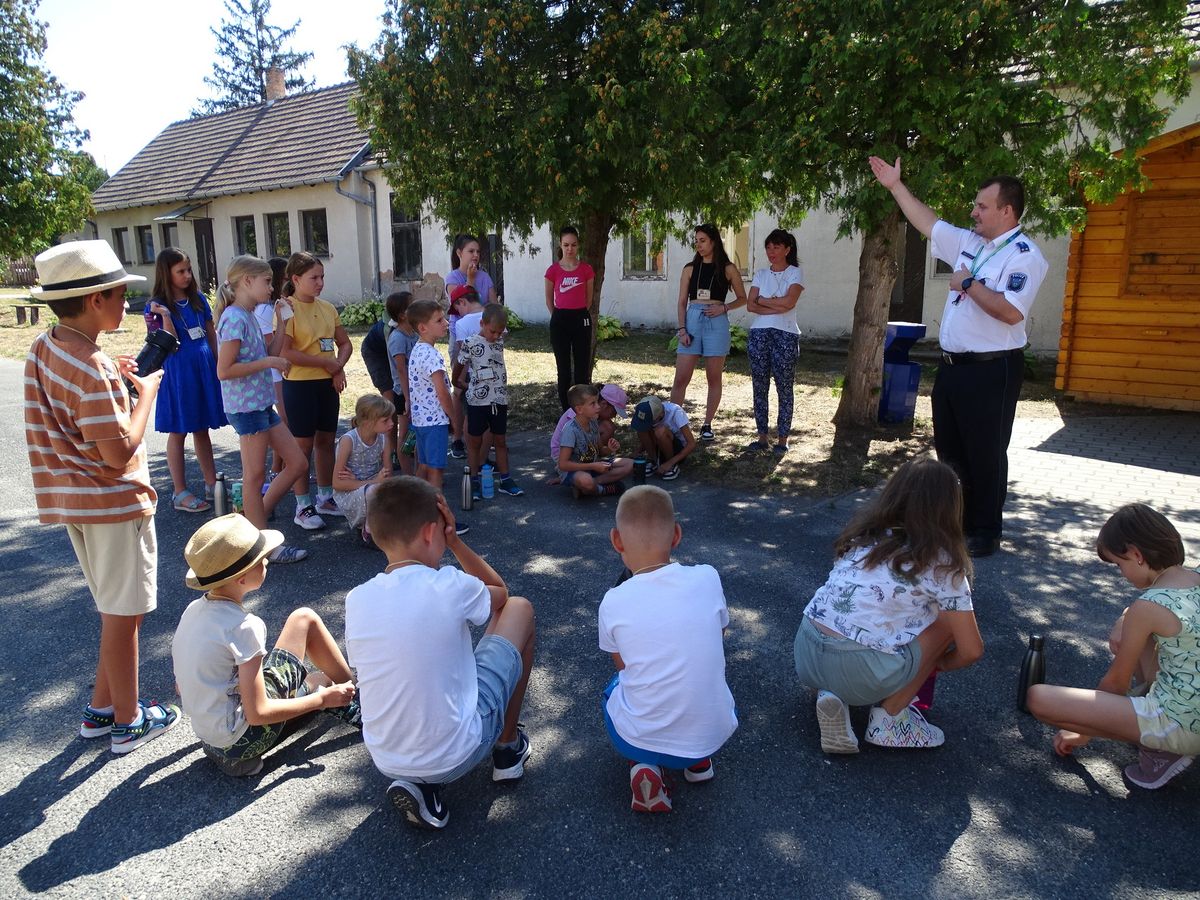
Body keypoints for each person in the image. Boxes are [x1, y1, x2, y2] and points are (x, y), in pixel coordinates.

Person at [24, 239, 179, 753]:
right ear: (94, 301)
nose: (126, 304)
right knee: (123, 612)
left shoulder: (48, 345)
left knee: (119, 608)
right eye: (118, 295)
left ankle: (100, 709)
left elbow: (76, 404)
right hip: (112, 501)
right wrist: (146, 394)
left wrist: (113, 378)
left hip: (77, 502)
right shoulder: (90, 368)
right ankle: (129, 722)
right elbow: (119, 453)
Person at [869, 156, 1049, 558]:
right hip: (952, 367)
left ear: (1007, 210)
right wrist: (896, 186)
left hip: (992, 368)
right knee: (950, 451)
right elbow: (927, 222)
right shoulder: (971, 241)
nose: (973, 211)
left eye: (982, 206)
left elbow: (1010, 311)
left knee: (985, 451)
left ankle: (985, 531)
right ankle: (955, 525)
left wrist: (967, 281)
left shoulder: (1024, 255)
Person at [345, 477, 536, 830]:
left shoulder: (356, 599)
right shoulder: (448, 583)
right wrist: (456, 542)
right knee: (520, 610)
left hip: (386, 755)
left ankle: (420, 785)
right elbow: (501, 594)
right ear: (432, 532)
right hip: (456, 752)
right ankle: (507, 749)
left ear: (372, 531)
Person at [794, 457, 984, 753]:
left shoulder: (862, 537)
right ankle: (891, 720)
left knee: (862, 619)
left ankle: (832, 692)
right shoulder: (944, 565)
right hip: (860, 669)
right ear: (950, 508)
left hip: (806, 655)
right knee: (947, 622)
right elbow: (972, 650)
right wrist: (939, 662)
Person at [173, 514, 360, 777]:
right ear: (241, 578)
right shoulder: (244, 626)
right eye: (261, 559)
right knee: (306, 627)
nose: (266, 561)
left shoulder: (193, 611)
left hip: (211, 739)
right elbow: (258, 713)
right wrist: (321, 700)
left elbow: (181, 685)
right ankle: (354, 695)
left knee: (316, 676)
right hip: (241, 743)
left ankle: (338, 689)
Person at [1028, 504, 1200, 790]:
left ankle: (1164, 751)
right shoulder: (1192, 577)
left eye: (1119, 565)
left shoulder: (1148, 607)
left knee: (1039, 698)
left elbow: (1115, 683)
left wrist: (1083, 731)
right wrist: (1126, 617)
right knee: (1143, 634)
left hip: (1180, 723)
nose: (1122, 574)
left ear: (1136, 554)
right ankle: (1161, 737)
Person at [599, 485, 737, 812]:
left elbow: (624, 668)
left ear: (617, 541)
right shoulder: (707, 577)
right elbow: (719, 634)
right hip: (714, 728)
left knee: (615, 690)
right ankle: (698, 762)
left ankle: (645, 765)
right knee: (699, 677)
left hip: (642, 732)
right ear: (676, 535)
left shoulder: (612, 601)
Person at [214, 255, 309, 564]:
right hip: (247, 409)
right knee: (253, 477)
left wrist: (282, 322)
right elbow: (224, 370)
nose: (272, 287)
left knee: (296, 463)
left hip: (260, 405)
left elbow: (270, 351)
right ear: (247, 282)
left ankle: (254, 525)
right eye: (267, 281)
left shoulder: (249, 315)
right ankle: (263, 547)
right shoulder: (234, 317)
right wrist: (269, 363)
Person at [144, 247, 227, 512]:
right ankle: (179, 492)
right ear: (166, 274)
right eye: (180, 271)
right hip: (179, 371)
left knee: (201, 428)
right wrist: (166, 316)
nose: (187, 275)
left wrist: (217, 364)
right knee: (179, 430)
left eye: (189, 270)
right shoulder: (156, 306)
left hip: (203, 367)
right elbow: (169, 343)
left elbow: (211, 335)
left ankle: (210, 482)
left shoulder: (198, 299)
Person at [279, 251, 354, 530]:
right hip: (299, 385)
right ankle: (302, 504)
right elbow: (287, 351)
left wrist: (338, 367)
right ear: (296, 279)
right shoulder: (287, 308)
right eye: (314, 278)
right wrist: (327, 363)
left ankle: (325, 497)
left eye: (322, 277)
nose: (320, 282)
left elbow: (345, 344)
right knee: (302, 446)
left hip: (326, 383)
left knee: (326, 441)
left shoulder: (327, 308)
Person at [670, 224, 747, 443]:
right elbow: (682, 302)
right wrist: (682, 328)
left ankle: (707, 424)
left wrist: (724, 308)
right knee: (681, 377)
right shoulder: (689, 268)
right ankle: (673, 423)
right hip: (692, 320)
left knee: (713, 377)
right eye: (696, 241)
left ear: (713, 241)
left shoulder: (728, 268)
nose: (699, 245)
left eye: (703, 240)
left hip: (717, 320)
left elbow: (743, 298)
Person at [406, 299, 469, 535]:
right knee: (435, 472)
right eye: (439, 320)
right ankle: (440, 520)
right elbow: (443, 392)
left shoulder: (417, 351)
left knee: (423, 467)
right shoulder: (431, 355)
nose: (445, 323)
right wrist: (454, 419)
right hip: (434, 422)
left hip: (421, 421)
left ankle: (413, 513)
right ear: (423, 327)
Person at [744, 229, 805, 456]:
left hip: (786, 334)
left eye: (776, 247)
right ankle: (762, 436)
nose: (771, 252)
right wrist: (775, 303)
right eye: (768, 247)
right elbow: (751, 305)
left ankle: (782, 439)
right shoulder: (761, 274)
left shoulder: (795, 273)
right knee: (759, 386)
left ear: (787, 249)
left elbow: (790, 303)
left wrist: (764, 301)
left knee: (784, 387)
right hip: (759, 333)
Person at [456, 303, 523, 499]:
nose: (496, 336)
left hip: (499, 399)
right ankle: (474, 480)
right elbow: (459, 365)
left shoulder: (499, 341)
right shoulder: (470, 342)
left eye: (500, 332)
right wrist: (458, 383)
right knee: (474, 442)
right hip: (478, 402)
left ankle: (505, 479)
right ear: (482, 324)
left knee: (500, 440)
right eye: (493, 331)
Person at [445, 234, 499, 460]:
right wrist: (469, 279)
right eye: (470, 251)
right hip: (461, 338)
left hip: (486, 341)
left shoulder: (485, 276)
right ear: (459, 253)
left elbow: (494, 306)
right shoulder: (453, 277)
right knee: (461, 389)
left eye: (478, 251)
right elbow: (460, 303)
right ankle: (458, 438)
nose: (476, 255)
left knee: (485, 388)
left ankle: (484, 439)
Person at [545, 225, 595, 411]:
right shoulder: (553, 271)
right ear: (560, 245)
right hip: (560, 320)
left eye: (573, 245)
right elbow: (549, 300)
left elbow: (588, 299)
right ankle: (567, 412)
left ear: (578, 245)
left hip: (581, 318)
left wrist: (578, 314)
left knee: (581, 370)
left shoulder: (586, 270)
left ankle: (582, 409)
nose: (570, 249)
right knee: (564, 371)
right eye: (566, 245)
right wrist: (559, 316)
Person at [332, 393, 395, 544]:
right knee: (374, 490)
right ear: (367, 422)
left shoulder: (383, 439)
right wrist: (372, 482)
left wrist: (371, 482)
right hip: (349, 494)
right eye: (386, 420)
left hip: (370, 487)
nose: (392, 423)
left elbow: (388, 477)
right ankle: (369, 531)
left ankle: (378, 525)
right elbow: (337, 484)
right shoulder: (349, 441)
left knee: (402, 489)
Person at [557, 383, 634, 498]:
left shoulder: (593, 422)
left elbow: (600, 450)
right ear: (579, 409)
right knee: (585, 480)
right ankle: (601, 489)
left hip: (592, 465)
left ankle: (589, 486)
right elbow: (562, 464)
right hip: (576, 470)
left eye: (597, 402)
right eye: (593, 404)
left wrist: (609, 449)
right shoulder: (570, 429)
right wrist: (593, 466)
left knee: (630, 464)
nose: (598, 407)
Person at [255, 257, 292, 483]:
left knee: (283, 419)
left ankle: (281, 466)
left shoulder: (274, 306)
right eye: (287, 276)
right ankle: (278, 468)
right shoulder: (266, 309)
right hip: (274, 370)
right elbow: (271, 344)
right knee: (283, 420)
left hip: (276, 367)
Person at [550, 384, 627, 466]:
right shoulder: (576, 419)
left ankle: (594, 471)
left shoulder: (592, 419)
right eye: (614, 412)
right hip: (565, 456)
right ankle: (572, 475)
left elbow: (599, 447)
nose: (614, 416)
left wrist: (609, 449)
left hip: (585, 456)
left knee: (627, 464)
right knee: (607, 427)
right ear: (604, 404)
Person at [384, 291, 416, 474]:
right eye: (412, 305)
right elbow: (401, 370)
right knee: (404, 435)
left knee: (416, 435)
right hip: (403, 393)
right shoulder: (397, 338)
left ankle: (419, 473)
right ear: (403, 314)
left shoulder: (413, 332)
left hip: (415, 391)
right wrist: (407, 397)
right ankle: (408, 477)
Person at [630, 395, 697, 481]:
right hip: (658, 447)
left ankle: (671, 466)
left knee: (660, 430)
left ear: (660, 414)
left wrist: (670, 462)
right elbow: (646, 432)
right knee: (641, 429)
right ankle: (654, 461)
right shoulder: (648, 412)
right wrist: (637, 452)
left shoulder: (676, 412)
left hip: (676, 450)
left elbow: (691, 444)